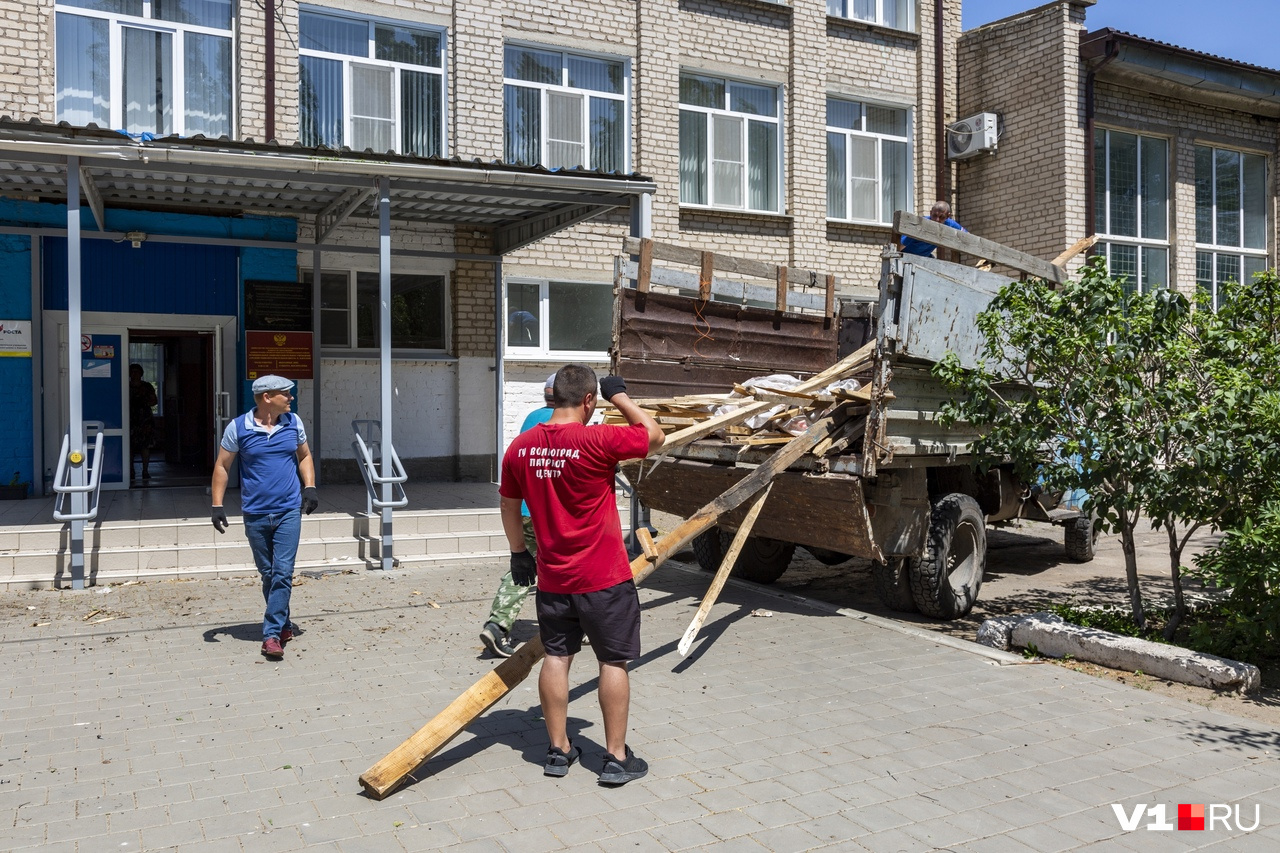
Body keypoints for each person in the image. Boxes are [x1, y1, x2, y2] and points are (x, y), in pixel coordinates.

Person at [498, 364, 663, 785]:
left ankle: (557, 751)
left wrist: (519, 553)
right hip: (603, 578)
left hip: (553, 578)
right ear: (589, 400)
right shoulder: (598, 439)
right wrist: (621, 396)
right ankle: (615, 758)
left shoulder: (521, 447)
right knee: (612, 661)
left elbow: (508, 503)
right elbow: (655, 435)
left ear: (553, 397)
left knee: (557, 657)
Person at [210, 374, 318, 660]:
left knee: (282, 572)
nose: (291, 398)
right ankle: (282, 624)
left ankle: (271, 636)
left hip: (288, 511)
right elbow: (222, 465)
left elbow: (304, 456)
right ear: (267, 397)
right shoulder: (238, 428)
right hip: (256, 513)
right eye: (286, 393)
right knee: (269, 574)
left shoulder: (294, 423)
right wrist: (217, 505)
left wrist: (309, 487)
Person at [480, 372, 558, 658]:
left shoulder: (530, 418)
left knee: (523, 566)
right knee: (567, 567)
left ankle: (498, 625)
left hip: (524, 511)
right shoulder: (567, 421)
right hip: (550, 512)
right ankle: (575, 623)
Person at [900, 201, 966, 258]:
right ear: (930, 213)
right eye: (934, 215)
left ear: (947, 216)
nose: (937, 220)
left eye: (941, 217)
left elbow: (966, 236)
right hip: (906, 256)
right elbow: (900, 246)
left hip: (924, 258)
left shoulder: (950, 224)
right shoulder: (920, 224)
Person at [128, 363, 158, 482]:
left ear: (141, 374)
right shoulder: (126, 386)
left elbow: (154, 401)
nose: (134, 374)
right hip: (130, 420)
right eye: (132, 372)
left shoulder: (147, 386)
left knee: (145, 446)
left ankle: (145, 471)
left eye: (137, 372)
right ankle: (130, 470)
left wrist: (143, 403)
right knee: (129, 447)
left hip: (145, 421)